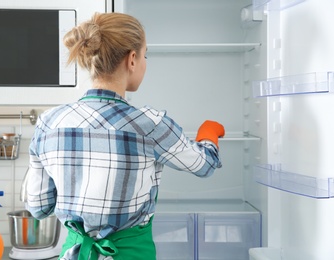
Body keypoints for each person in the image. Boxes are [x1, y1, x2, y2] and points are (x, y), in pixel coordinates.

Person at [26, 12, 225, 260]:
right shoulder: (150, 124)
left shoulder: (48, 123)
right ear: (132, 59)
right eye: (145, 55)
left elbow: (38, 208)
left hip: (75, 253)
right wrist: (209, 133)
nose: (144, 62)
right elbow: (204, 165)